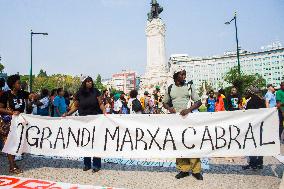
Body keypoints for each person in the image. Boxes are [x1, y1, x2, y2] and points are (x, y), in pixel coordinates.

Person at [163, 68, 203, 180]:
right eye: (182, 74)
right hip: (176, 121)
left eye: (185, 74)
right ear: (176, 76)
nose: (184, 76)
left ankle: (196, 170)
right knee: (179, 144)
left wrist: (188, 110)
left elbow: (199, 102)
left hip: (189, 120)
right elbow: (164, 103)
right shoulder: (170, 88)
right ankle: (183, 169)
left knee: (192, 143)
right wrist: (169, 108)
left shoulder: (189, 86)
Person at [67, 76, 106, 173]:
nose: (90, 83)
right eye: (88, 81)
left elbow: (100, 103)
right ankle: (86, 164)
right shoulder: (79, 93)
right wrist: (67, 114)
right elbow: (75, 106)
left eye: (91, 81)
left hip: (96, 119)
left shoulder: (96, 91)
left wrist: (104, 111)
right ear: (84, 83)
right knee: (86, 141)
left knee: (96, 142)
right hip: (84, 120)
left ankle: (97, 164)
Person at [0, 75, 32, 174]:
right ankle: (12, 167)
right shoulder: (6, 95)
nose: (20, 84)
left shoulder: (22, 93)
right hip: (8, 123)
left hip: (19, 123)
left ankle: (13, 163)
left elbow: (32, 96)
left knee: (16, 143)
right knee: (10, 143)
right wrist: (12, 112)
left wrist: (32, 96)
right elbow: (0, 108)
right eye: (18, 83)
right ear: (13, 85)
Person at [242, 86, 266, 170]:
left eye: (247, 92)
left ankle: (253, 164)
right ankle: (260, 163)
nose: (245, 94)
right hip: (260, 125)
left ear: (251, 93)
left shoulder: (251, 102)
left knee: (251, 144)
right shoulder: (262, 101)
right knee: (259, 143)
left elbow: (248, 115)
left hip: (252, 126)